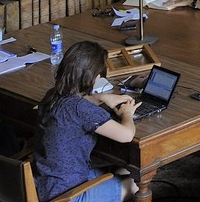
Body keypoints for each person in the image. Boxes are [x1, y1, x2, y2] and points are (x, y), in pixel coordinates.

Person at [33, 40, 137, 202]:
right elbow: (127, 135)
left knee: (123, 171)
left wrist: (101, 97)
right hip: (67, 196)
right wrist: (127, 114)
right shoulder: (80, 109)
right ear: (92, 77)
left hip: (45, 184)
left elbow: (77, 102)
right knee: (135, 184)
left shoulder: (52, 95)